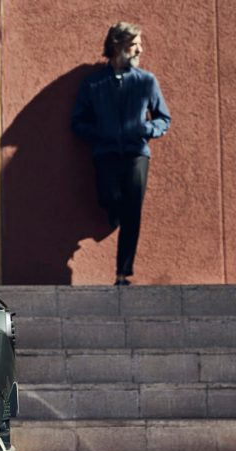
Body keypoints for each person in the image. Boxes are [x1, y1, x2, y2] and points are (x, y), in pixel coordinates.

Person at [70, 21, 171, 286]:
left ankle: (123, 273)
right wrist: (100, 133)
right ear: (117, 45)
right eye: (135, 44)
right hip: (105, 153)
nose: (140, 49)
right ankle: (114, 214)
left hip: (137, 153)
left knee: (133, 212)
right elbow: (77, 121)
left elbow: (164, 118)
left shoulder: (147, 81)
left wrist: (146, 129)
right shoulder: (93, 83)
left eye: (140, 44)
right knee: (108, 197)